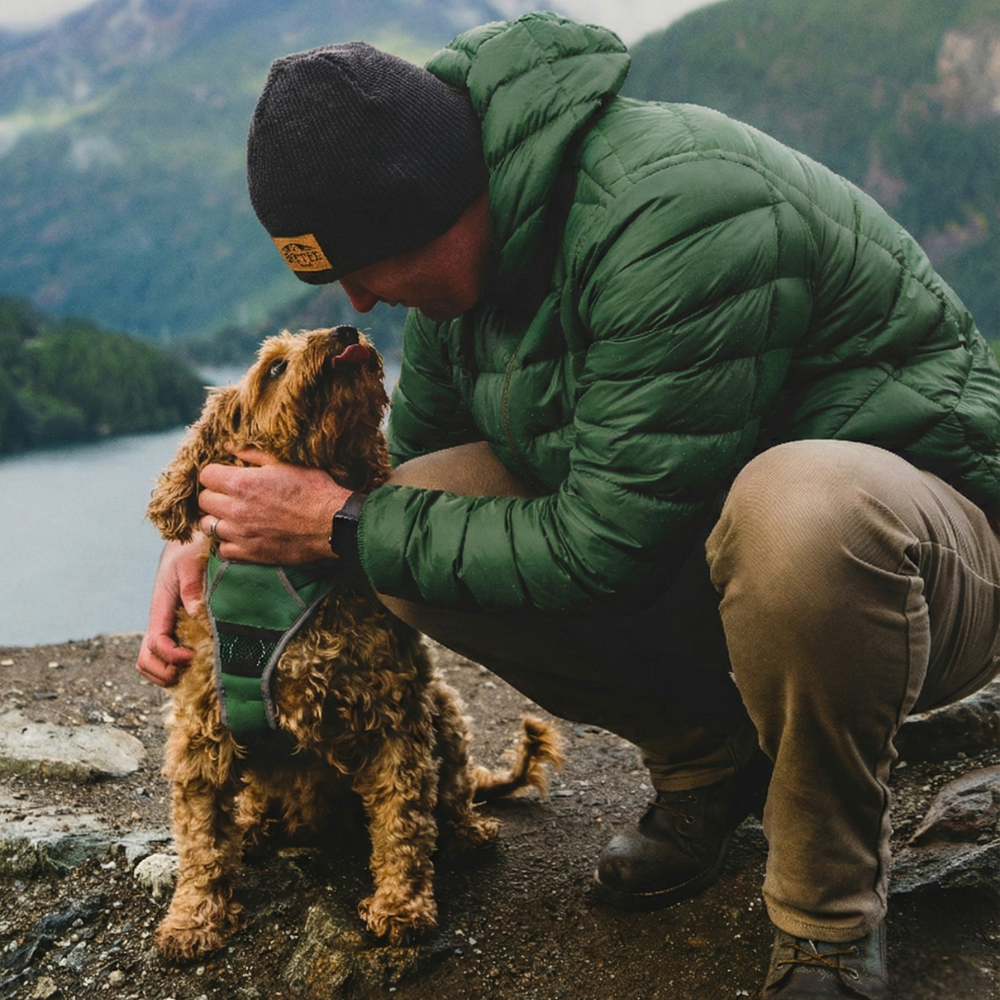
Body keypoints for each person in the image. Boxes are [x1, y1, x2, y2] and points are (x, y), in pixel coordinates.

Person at [137, 13, 1000, 999]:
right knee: (416, 518)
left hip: (931, 553)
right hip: (719, 543)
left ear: (420, 215)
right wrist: (221, 537)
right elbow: (394, 486)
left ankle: (825, 917)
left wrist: (335, 524)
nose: (363, 306)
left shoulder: (666, 214)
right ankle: (709, 760)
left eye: (357, 269)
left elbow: (605, 545)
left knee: (801, 512)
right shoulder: (476, 270)